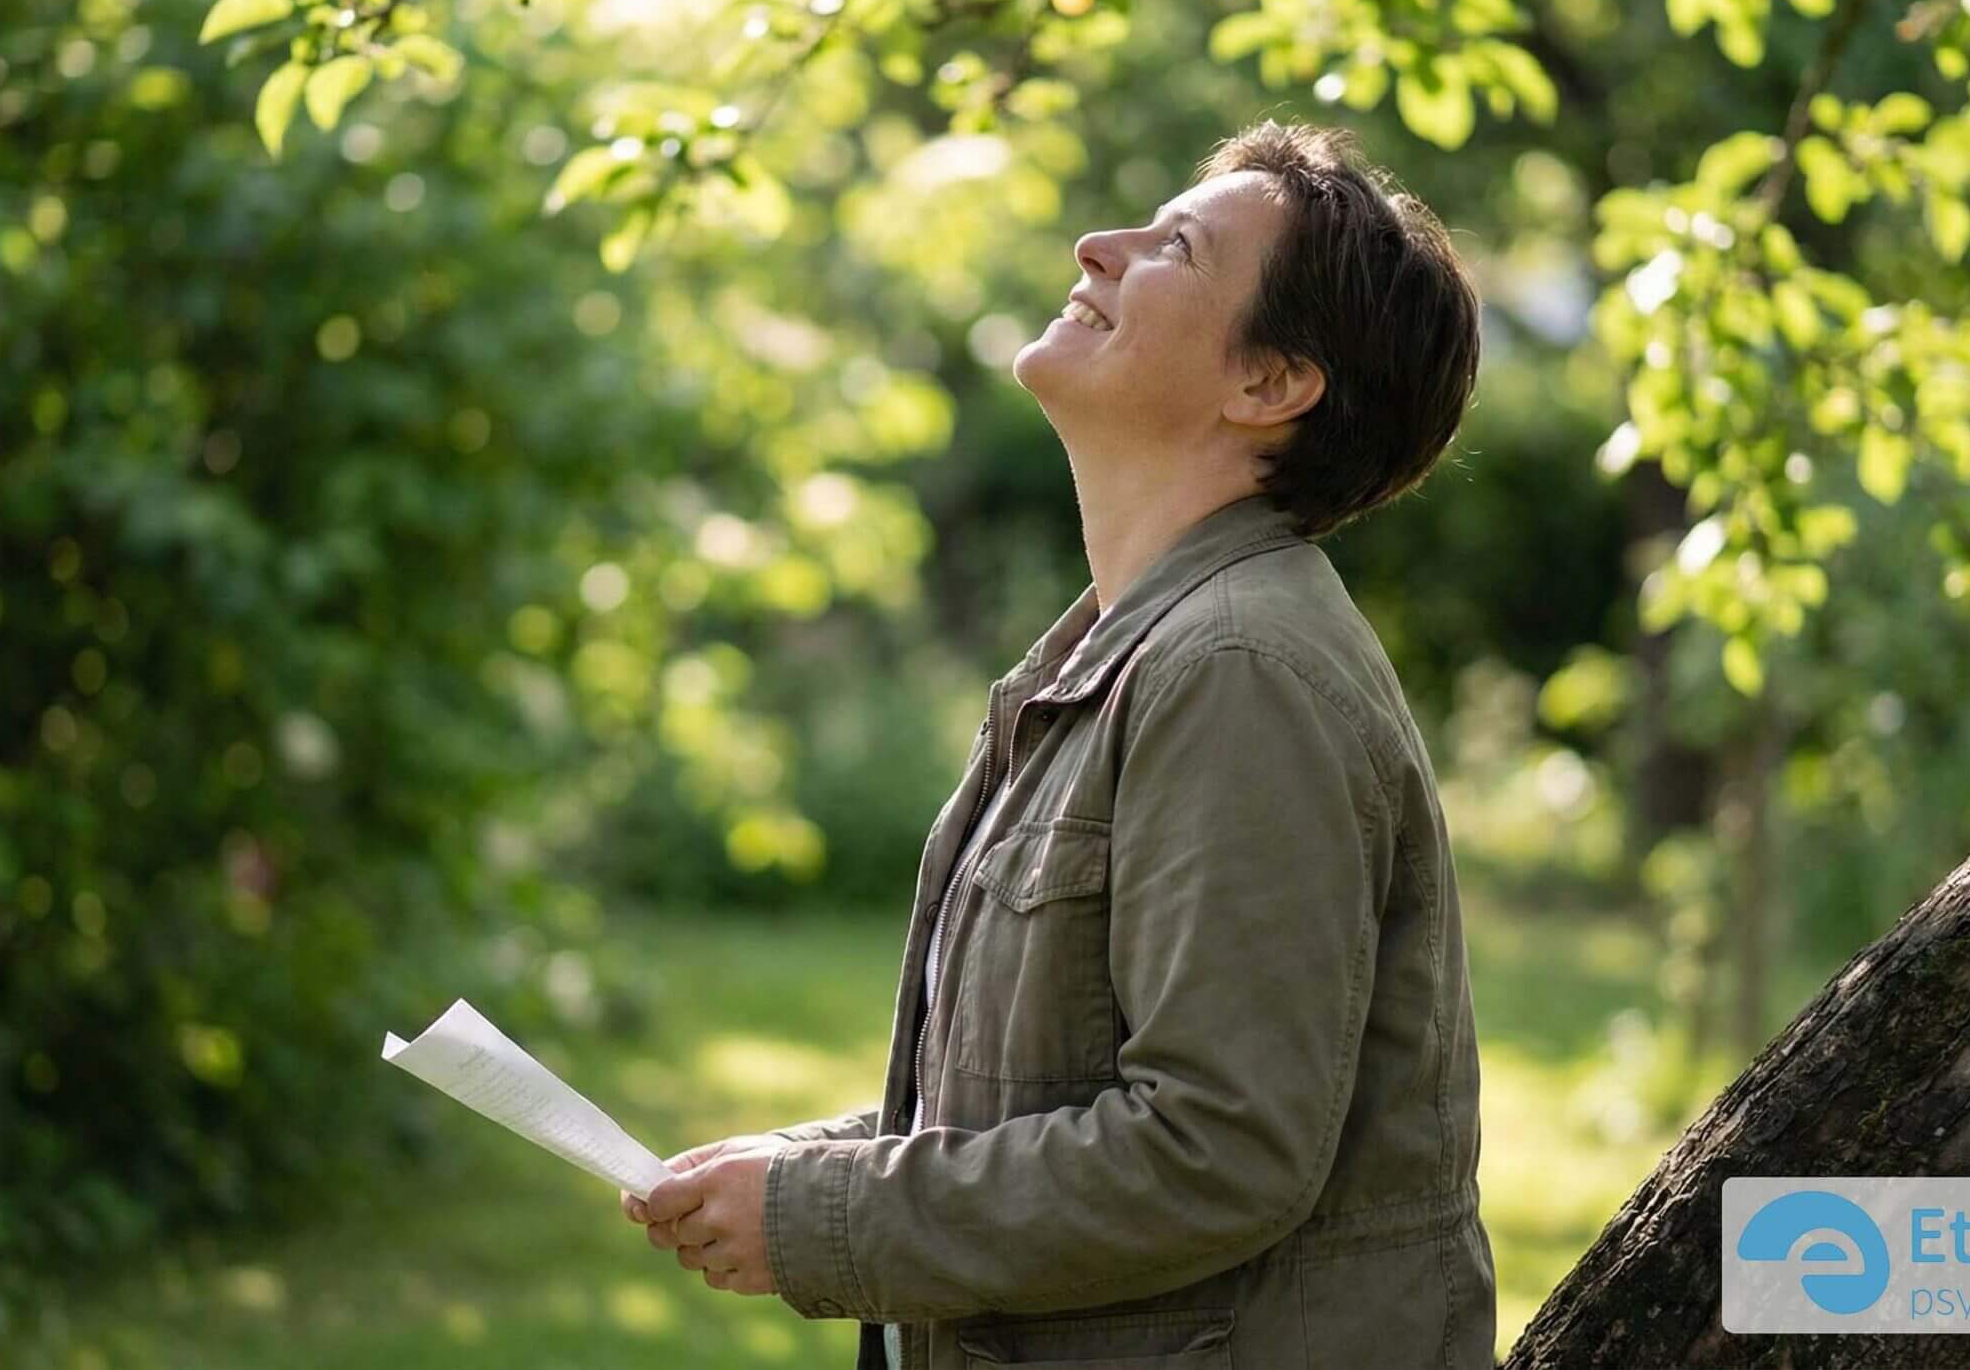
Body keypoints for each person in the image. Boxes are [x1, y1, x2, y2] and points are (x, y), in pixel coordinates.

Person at [623, 118, 1496, 1369]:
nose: (1098, 245)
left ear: (1269, 384)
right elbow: (1051, 1089)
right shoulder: (1139, 649)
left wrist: (825, 1215)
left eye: (1175, 248)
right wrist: (805, 1172)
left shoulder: (1239, 667)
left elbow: (1216, 1148)